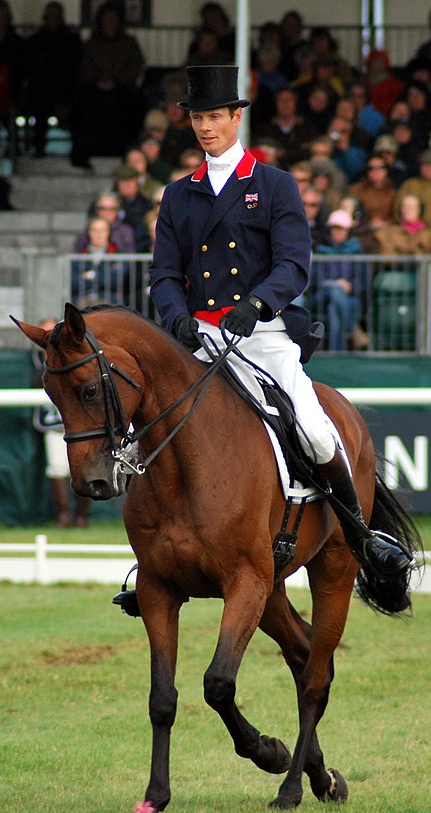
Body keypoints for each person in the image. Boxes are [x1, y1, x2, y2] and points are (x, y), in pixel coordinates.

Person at [149, 64, 410, 579]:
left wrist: (258, 305)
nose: (206, 126)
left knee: (314, 431)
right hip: (200, 338)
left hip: (262, 334)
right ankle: (155, 557)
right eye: (199, 117)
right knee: (152, 429)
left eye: (215, 116)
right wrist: (176, 318)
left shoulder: (274, 185)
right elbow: (163, 273)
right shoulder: (178, 194)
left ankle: (361, 536)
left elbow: (294, 264)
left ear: (235, 119)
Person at [32, 317, 92, 527]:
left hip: (79, 421)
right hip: (54, 422)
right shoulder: (37, 361)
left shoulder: (76, 354)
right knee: (57, 467)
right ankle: (64, 515)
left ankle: (83, 516)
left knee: (84, 468)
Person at [70, 2, 145, 164]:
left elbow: (136, 65)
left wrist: (117, 81)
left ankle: (124, 149)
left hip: (123, 90)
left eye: (114, 18)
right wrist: (99, 80)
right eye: (107, 18)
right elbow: (85, 67)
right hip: (95, 90)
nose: (110, 22)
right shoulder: (92, 43)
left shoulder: (129, 43)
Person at [23, 1, 81, 158]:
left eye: (56, 15)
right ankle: (39, 147)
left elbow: (74, 67)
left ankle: (77, 150)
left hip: (67, 90)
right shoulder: (35, 41)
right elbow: (30, 67)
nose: (53, 18)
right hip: (41, 91)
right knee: (39, 104)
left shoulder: (71, 39)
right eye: (50, 15)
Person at [312, 208, 370, 351]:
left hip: (350, 298)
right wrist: (336, 284)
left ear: (348, 231)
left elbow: (364, 281)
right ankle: (354, 329)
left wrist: (350, 286)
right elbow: (315, 279)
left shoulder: (357, 251)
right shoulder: (322, 250)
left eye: (341, 229)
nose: (338, 232)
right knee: (335, 291)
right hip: (322, 295)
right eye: (335, 229)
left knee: (333, 309)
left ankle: (335, 352)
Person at [71, 215, 130, 306]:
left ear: (109, 232)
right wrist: (103, 277)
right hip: (83, 300)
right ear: (88, 233)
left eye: (103, 230)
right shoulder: (79, 255)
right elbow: (74, 282)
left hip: (109, 300)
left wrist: (89, 276)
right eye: (94, 230)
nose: (98, 234)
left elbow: (115, 281)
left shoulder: (118, 255)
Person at [348, 154, 396, 228]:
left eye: (380, 168)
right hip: (361, 229)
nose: (375, 171)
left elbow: (397, 217)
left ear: (386, 171)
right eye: (371, 168)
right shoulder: (356, 190)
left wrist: (386, 223)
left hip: (388, 231)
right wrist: (366, 222)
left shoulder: (393, 192)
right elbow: (353, 214)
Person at [394, 148, 431, 227]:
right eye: (425, 165)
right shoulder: (410, 184)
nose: (428, 168)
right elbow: (398, 209)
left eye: (430, 165)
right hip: (411, 231)